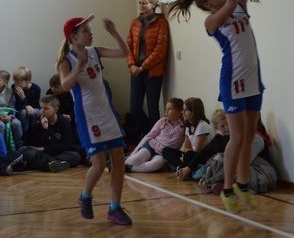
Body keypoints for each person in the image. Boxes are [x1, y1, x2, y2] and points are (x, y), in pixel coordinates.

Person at [167, 0, 272, 213]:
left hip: (253, 77)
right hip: (233, 79)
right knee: (236, 137)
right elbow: (231, 1)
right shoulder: (212, 21)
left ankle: (242, 185)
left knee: (249, 136)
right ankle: (227, 188)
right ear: (205, 3)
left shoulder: (238, 6)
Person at [57, 15, 132, 225]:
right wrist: (79, 65)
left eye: (90, 29)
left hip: (107, 112)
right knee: (99, 165)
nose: (91, 33)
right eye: (86, 31)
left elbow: (124, 53)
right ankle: (85, 196)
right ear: (73, 37)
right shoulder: (66, 61)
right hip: (88, 116)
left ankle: (115, 207)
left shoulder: (95, 51)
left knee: (119, 160)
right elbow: (65, 86)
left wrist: (114, 32)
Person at [177, 109, 276, 194]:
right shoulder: (230, 138)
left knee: (223, 159)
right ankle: (223, 183)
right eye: (223, 126)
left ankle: (225, 184)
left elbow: (240, 163)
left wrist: (210, 180)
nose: (228, 128)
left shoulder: (256, 139)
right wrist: (188, 168)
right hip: (239, 167)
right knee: (214, 159)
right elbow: (204, 153)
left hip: (257, 169)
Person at [126, 0, 170, 140]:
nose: (141, 5)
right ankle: (150, 136)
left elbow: (160, 49)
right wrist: (131, 64)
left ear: (153, 5)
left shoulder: (161, 22)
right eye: (140, 3)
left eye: (145, 3)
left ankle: (155, 140)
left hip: (153, 72)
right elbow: (128, 45)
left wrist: (143, 67)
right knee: (135, 108)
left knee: (153, 109)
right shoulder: (135, 22)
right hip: (136, 70)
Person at [19, 95, 81, 172]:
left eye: (46, 108)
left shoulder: (64, 122)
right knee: (23, 150)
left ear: (56, 109)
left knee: (75, 156)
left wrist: (44, 148)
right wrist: (41, 127)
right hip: (40, 153)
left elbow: (66, 144)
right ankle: (54, 163)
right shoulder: (38, 120)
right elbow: (26, 140)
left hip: (55, 152)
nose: (42, 111)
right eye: (41, 108)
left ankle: (48, 163)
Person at [125, 98, 185, 173]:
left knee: (157, 164)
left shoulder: (184, 126)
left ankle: (129, 168)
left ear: (179, 111)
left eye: (170, 109)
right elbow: (149, 136)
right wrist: (135, 151)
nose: (166, 111)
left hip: (162, 154)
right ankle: (126, 164)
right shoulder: (162, 121)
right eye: (166, 109)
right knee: (132, 160)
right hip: (151, 146)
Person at [162, 97, 212, 171]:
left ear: (193, 112)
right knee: (166, 150)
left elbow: (197, 150)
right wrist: (185, 154)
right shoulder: (188, 126)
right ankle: (181, 168)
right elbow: (186, 147)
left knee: (189, 155)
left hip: (202, 157)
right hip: (192, 154)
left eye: (186, 110)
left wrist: (185, 155)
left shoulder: (202, 125)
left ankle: (183, 167)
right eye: (183, 109)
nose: (182, 112)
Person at [12, 66, 41, 132]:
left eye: (18, 82)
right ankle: (25, 134)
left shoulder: (36, 89)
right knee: (24, 112)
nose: (16, 84)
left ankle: (34, 132)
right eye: (15, 81)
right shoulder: (14, 87)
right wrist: (25, 103)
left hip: (33, 108)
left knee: (37, 111)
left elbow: (35, 105)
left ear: (28, 80)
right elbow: (17, 105)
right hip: (20, 110)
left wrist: (23, 98)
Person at [0, 70, 23, 149]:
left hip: (7, 115)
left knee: (17, 123)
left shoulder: (10, 92)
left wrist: (10, 116)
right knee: (1, 125)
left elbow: (12, 108)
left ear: (5, 82)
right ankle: (3, 149)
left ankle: (20, 148)